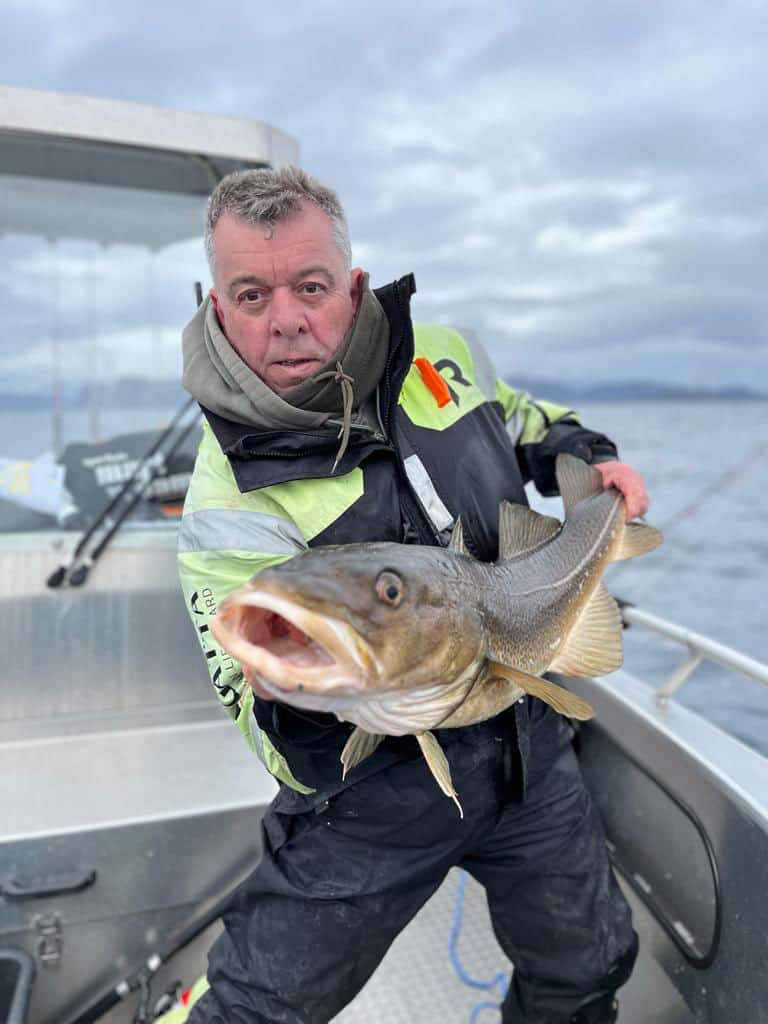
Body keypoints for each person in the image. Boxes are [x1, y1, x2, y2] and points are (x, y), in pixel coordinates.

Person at [172, 166, 648, 1024]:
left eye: (311, 286)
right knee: (254, 1006)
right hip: (370, 795)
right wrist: (298, 701)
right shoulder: (221, 500)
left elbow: (522, 418)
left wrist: (588, 455)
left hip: (529, 742)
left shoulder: (445, 351)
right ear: (215, 304)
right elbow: (271, 734)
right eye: (251, 294)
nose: (286, 318)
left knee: (590, 964)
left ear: (351, 287)